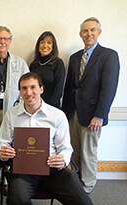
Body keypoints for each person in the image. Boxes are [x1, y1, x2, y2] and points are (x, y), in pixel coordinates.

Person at [0, 72, 93, 205]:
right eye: (24, 88)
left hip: (53, 169)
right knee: (17, 200)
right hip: (23, 171)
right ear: (20, 92)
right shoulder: (11, 115)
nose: (29, 92)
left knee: (83, 202)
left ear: (41, 89)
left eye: (33, 87)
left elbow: (65, 147)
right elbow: (3, 142)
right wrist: (3, 152)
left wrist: (63, 159)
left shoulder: (57, 115)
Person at [62, 17, 120, 194]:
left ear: (99, 32)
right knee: (75, 151)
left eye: (92, 30)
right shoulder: (75, 57)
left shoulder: (108, 56)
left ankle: (86, 187)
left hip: (93, 114)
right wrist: (65, 115)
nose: (89, 34)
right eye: (85, 31)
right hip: (73, 112)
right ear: (80, 34)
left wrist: (100, 115)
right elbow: (70, 87)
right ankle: (76, 181)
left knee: (88, 152)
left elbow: (109, 88)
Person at [29, 31, 65, 108]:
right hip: (34, 107)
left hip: (52, 107)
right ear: (38, 46)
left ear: (53, 46)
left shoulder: (58, 63)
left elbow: (58, 90)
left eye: (49, 43)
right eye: (42, 42)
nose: (45, 45)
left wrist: (46, 107)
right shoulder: (34, 64)